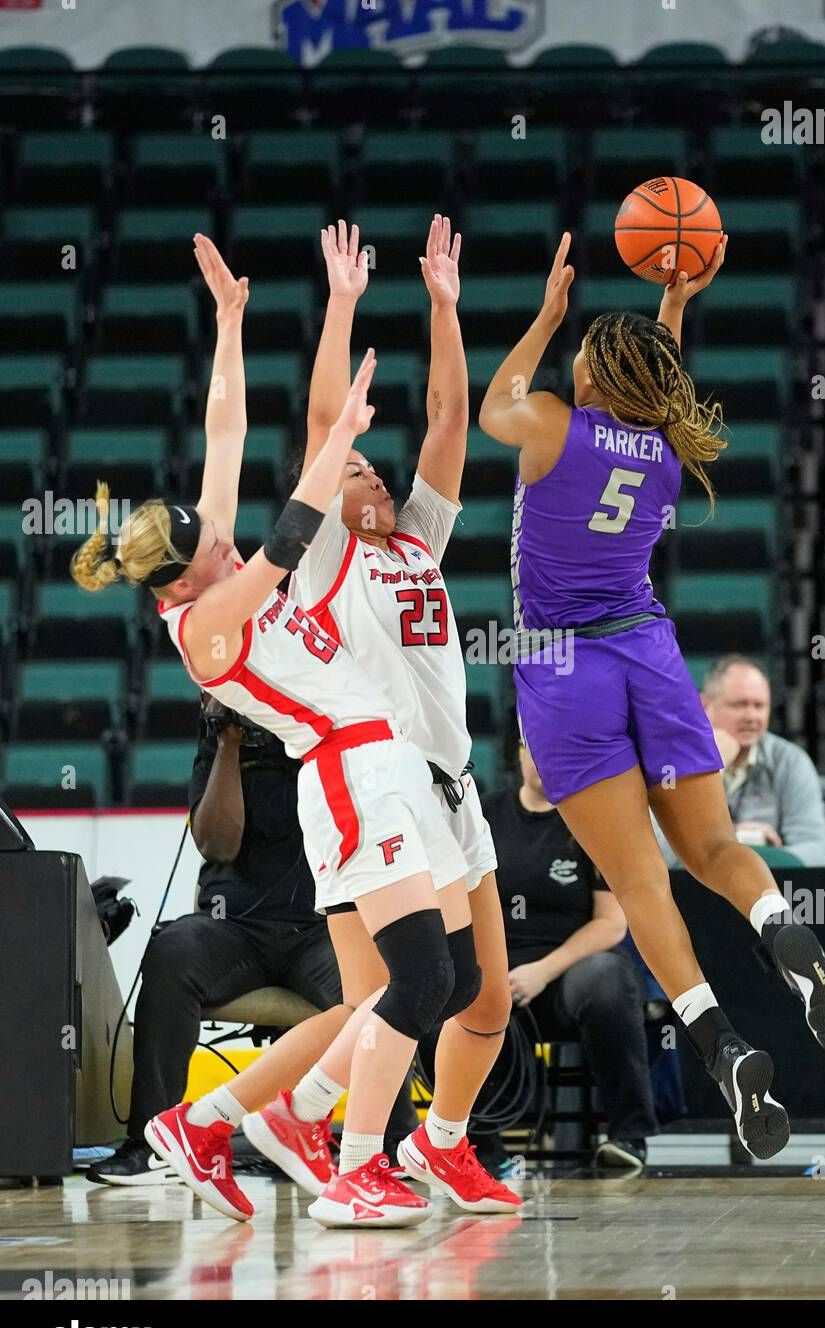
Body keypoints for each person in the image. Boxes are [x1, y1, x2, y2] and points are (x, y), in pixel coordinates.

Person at [72, 235, 475, 1230]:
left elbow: (225, 429)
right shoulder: (205, 621)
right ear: (179, 580)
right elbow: (291, 534)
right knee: (420, 979)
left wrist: (230, 324)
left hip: (374, 764)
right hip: (345, 769)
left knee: (434, 977)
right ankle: (344, 1162)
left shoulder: (196, 568)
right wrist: (337, 439)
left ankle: (213, 1126)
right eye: (209, 541)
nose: (222, 532)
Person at [478, 233, 825, 1160]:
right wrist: (674, 308)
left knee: (644, 884)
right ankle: (784, 933)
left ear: (593, 371)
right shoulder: (661, 453)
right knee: (717, 848)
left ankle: (720, 1042)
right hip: (648, 651)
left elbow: (488, 403)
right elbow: (654, 391)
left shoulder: (547, 426)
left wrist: (544, 318)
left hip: (565, 670)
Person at [225, 218, 517, 1215]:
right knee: (415, 985)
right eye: (358, 472)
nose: (374, 475)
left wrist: (444, 306)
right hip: (380, 781)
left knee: (484, 992)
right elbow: (319, 427)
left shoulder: (416, 543)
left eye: (373, 469)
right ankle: (342, 1148)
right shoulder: (322, 556)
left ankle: (439, 1145)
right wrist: (342, 304)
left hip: (451, 784)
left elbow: (447, 420)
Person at [85, 695, 417, 1186]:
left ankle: (389, 1142)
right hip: (234, 930)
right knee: (172, 950)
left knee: (379, 992)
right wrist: (228, 744)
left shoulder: (332, 744)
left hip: (321, 929)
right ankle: (151, 1143)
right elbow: (218, 843)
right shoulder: (222, 745)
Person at [480, 738, 657, 1170]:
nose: (543, 756)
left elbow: (612, 923)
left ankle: (628, 1136)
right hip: (492, 969)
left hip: (563, 974)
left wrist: (541, 971)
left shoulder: (595, 820)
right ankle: (478, 1148)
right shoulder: (483, 814)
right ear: (518, 752)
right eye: (531, 745)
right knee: (448, 990)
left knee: (608, 979)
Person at [699, 654, 825, 866]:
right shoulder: (676, 762)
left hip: (773, 891)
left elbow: (820, 851)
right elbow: (659, 851)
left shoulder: (791, 761)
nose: (751, 716)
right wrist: (712, 765)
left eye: (760, 706)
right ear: (705, 706)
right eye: (739, 705)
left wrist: (771, 857)